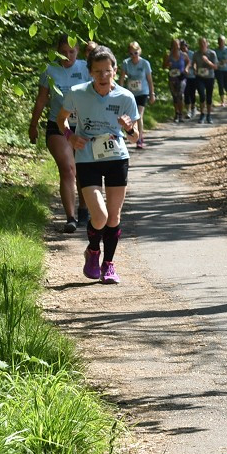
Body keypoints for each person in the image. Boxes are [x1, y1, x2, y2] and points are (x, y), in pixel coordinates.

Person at [58, 45, 140, 285]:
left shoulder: (126, 97)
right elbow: (60, 119)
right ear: (90, 72)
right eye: (98, 71)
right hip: (87, 158)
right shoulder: (76, 93)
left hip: (117, 158)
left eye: (107, 70)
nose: (103, 76)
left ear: (115, 70)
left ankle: (108, 264)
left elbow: (136, 138)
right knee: (100, 215)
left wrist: (128, 128)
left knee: (113, 216)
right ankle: (93, 250)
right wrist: (70, 137)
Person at [28, 33, 90, 232]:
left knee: (82, 170)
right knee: (68, 168)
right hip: (58, 126)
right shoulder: (49, 70)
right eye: (63, 52)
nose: (68, 56)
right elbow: (41, 99)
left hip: (82, 126)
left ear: (77, 51)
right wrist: (33, 125)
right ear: (57, 52)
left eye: (71, 51)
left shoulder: (85, 68)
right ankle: (70, 218)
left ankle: (83, 209)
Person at [119, 41, 155, 148]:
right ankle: (131, 135)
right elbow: (121, 79)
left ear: (139, 51)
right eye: (131, 54)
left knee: (139, 116)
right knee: (130, 117)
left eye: (136, 53)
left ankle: (140, 139)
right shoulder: (126, 63)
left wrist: (151, 93)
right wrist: (120, 92)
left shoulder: (145, 63)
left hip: (142, 92)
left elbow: (149, 80)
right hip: (130, 93)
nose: (134, 56)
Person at [191, 37, 218, 124]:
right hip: (199, 77)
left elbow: (215, 67)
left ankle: (209, 115)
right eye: (200, 43)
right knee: (202, 95)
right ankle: (202, 114)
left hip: (210, 77)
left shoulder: (212, 53)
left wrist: (207, 61)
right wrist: (194, 69)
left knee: (209, 97)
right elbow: (193, 63)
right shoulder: (196, 54)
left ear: (207, 44)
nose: (202, 45)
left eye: (204, 43)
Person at [164, 38, 189, 123]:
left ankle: (181, 114)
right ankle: (176, 113)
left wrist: (186, 68)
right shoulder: (168, 55)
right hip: (172, 78)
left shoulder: (183, 55)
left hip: (181, 77)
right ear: (171, 46)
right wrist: (167, 64)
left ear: (179, 45)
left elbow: (189, 62)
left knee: (180, 95)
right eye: (174, 45)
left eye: (177, 45)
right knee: (174, 96)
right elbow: (163, 66)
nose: (175, 46)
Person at [215, 35, 227, 105]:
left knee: (226, 85)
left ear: (224, 42)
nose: (221, 43)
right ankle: (222, 101)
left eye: (222, 41)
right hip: (219, 70)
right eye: (219, 41)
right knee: (220, 84)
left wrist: (225, 61)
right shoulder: (215, 51)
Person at [182, 39, 197, 120]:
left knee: (192, 93)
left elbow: (195, 63)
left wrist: (194, 69)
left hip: (192, 76)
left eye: (184, 46)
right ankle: (188, 111)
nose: (183, 48)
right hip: (184, 77)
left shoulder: (192, 54)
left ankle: (193, 108)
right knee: (186, 93)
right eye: (181, 47)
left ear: (187, 46)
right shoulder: (180, 54)